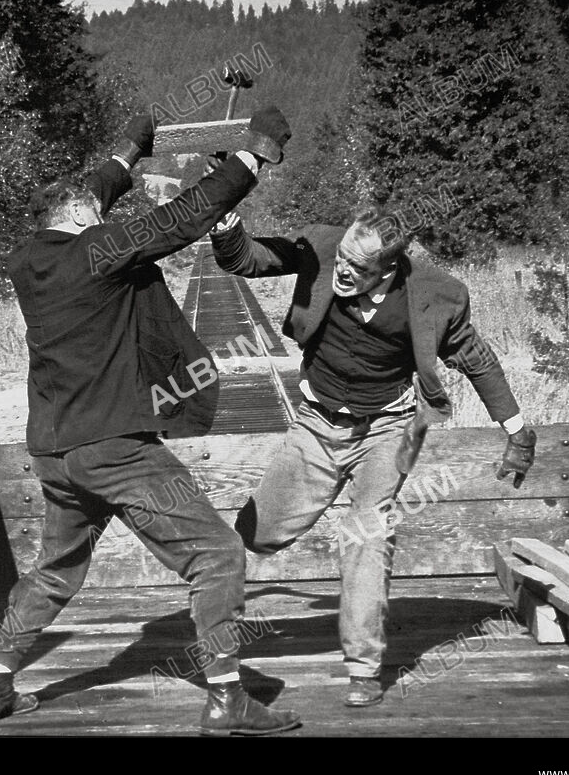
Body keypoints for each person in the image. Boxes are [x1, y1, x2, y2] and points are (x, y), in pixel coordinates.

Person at [0, 108, 302, 736]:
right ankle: (228, 698)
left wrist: (130, 150)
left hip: (55, 452)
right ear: (79, 221)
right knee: (218, 554)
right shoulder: (98, 249)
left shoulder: (28, 258)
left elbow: (87, 193)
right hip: (114, 448)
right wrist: (252, 157)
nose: (104, 216)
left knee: (54, 570)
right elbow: (181, 219)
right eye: (97, 213)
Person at [209, 202, 536, 707]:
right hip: (317, 424)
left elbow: (476, 357)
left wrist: (517, 432)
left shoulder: (431, 296)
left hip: (390, 427)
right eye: (341, 259)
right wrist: (227, 224)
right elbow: (250, 259)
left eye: (356, 269)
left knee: (364, 532)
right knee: (256, 534)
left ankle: (364, 668)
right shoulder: (321, 247)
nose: (342, 271)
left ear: (387, 268)